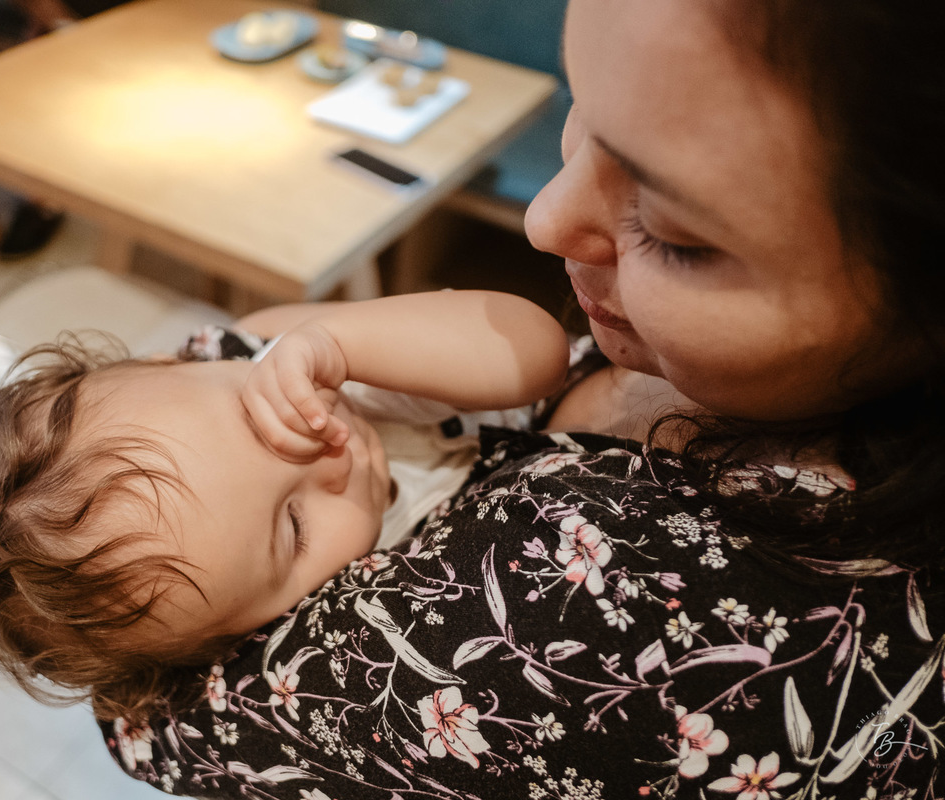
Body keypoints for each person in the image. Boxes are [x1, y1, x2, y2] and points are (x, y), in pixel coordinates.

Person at [84, 0, 945, 797]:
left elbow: (517, 346)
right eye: (587, 106)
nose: (544, 220)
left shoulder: (602, 629)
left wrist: (322, 344)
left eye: (678, 235)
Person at [0, 290, 569, 725]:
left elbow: (537, 346)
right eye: (293, 527)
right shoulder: (382, 601)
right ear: (251, 633)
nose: (326, 450)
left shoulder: (304, 360)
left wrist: (341, 342)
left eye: (251, 412)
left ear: (179, 363)